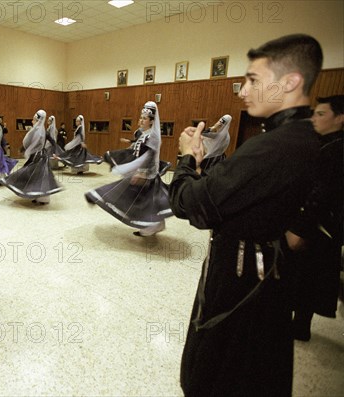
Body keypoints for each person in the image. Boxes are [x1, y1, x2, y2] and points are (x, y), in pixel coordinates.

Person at [169, 34, 323, 396]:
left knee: (223, 370)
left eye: (253, 80)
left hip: (241, 281)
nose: (242, 90)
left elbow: (190, 203)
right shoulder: (305, 138)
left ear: (290, 82)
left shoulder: (271, 148)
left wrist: (187, 159)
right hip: (264, 271)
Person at [288, 94, 343, 341]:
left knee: (306, 276)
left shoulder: (334, 150)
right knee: (304, 277)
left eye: (321, 114)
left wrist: (300, 229)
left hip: (318, 227)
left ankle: (298, 325)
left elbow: (320, 194)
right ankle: (299, 324)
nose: (314, 118)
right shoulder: (325, 144)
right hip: (319, 225)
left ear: (340, 118)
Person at [86, 102, 172, 236]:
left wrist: (133, 171)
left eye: (144, 118)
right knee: (146, 202)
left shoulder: (152, 137)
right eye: (141, 117)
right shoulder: (144, 134)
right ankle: (155, 225)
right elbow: (138, 153)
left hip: (146, 175)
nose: (141, 120)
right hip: (143, 174)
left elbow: (147, 157)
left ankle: (95, 195)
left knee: (140, 200)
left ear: (151, 121)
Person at [1, 110, 62, 205]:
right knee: (37, 176)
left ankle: (41, 197)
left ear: (38, 120)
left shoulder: (39, 132)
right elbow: (31, 143)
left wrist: (54, 152)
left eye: (33, 120)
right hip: (40, 156)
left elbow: (51, 142)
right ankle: (38, 196)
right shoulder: (39, 131)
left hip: (39, 157)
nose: (32, 121)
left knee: (38, 176)